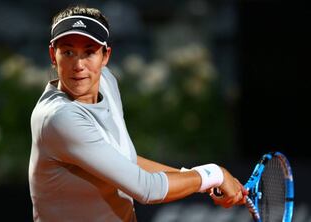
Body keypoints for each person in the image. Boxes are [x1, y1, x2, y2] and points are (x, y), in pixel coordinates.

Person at [28, 5, 247, 222]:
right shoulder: (59, 119)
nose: (78, 65)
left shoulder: (106, 82)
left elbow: (126, 160)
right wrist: (213, 174)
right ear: (52, 55)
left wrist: (197, 179)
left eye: (89, 52)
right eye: (68, 52)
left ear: (105, 56)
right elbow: (146, 189)